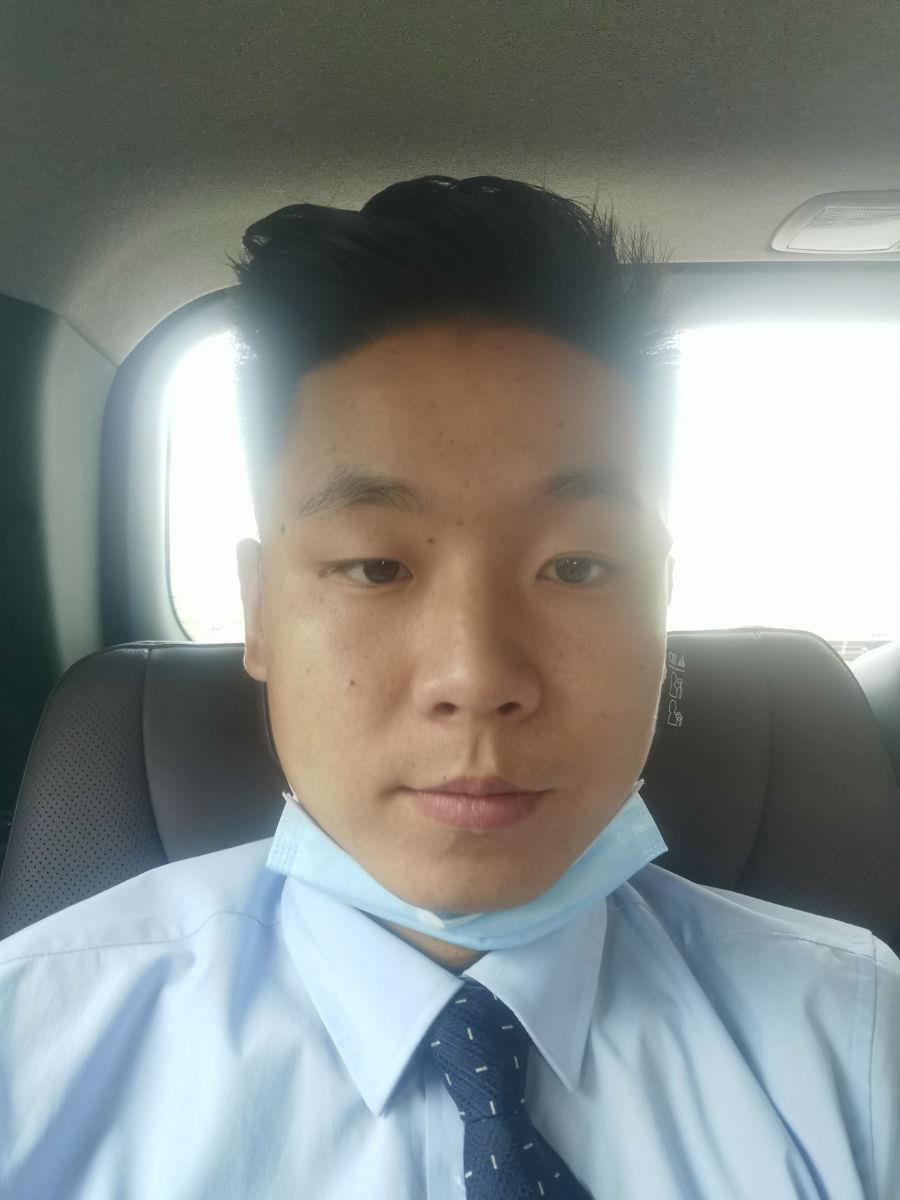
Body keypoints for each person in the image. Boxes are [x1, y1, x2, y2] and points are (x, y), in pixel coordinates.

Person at [0, 175, 897, 1199]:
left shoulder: (855, 1047)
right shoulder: (36, 1051)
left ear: (660, 608)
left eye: (578, 566)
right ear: (259, 614)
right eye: (376, 566)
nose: (476, 679)